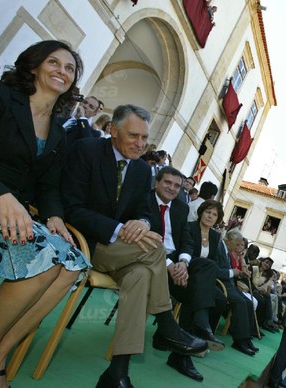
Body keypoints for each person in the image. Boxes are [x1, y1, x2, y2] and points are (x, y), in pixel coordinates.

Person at [61, 104, 207, 387]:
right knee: (154, 249)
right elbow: (72, 208)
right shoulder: (87, 150)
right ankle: (166, 325)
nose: (140, 144)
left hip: (121, 252)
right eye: (133, 136)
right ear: (113, 131)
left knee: (140, 275)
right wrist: (118, 228)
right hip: (83, 241)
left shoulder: (142, 170)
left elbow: (143, 210)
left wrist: (142, 221)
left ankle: (117, 373)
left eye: (145, 139)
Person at [0, 40, 90, 388]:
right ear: (33, 67)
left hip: (12, 216)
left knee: (72, 264)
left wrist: (55, 216)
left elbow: (49, 186)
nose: (63, 71)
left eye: (70, 68)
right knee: (44, 257)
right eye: (54, 62)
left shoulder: (59, 129)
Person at [149, 166, 223, 382]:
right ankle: (185, 346)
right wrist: (174, 263)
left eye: (177, 185)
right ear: (156, 182)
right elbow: (150, 238)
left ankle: (183, 338)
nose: (172, 188)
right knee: (200, 287)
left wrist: (182, 261)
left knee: (204, 276)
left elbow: (186, 244)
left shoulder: (180, 209)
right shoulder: (145, 201)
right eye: (168, 183)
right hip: (153, 264)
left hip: (182, 271)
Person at [211, 227, 258, 356]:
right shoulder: (219, 248)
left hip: (229, 284)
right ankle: (239, 341)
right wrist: (233, 272)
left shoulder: (226, 250)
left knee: (248, 302)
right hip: (220, 284)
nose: (239, 247)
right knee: (240, 302)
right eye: (237, 244)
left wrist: (238, 273)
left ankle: (246, 338)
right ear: (229, 240)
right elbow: (215, 270)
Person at [187, 199, 227, 333]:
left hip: (205, 278)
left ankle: (207, 335)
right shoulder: (189, 227)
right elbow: (185, 252)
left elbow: (214, 260)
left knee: (221, 299)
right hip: (188, 272)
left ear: (217, 219)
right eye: (208, 212)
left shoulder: (215, 237)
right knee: (208, 266)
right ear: (201, 212)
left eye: (214, 214)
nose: (210, 216)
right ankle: (199, 327)